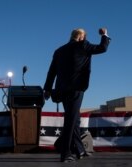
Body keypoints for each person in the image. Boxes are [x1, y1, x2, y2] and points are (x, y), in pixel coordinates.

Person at [43, 28, 111, 162]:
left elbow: (51, 72)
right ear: (81, 37)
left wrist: (47, 89)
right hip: (76, 88)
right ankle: (66, 153)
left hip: (61, 90)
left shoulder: (59, 51)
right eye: (85, 36)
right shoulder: (83, 45)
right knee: (71, 119)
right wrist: (104, 35)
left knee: (75, 120)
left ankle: (79, 149)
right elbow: (103, 48)